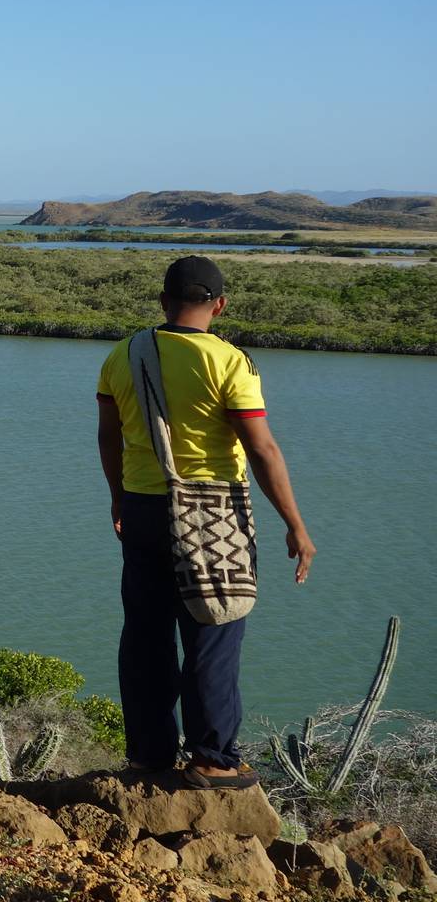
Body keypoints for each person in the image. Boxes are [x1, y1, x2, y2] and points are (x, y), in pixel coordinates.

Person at [95, 255, 316, 788]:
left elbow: (109, 435)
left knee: (145, 636)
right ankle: (212, 760)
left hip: (145, 506)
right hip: (212, 513)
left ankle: (148, 756)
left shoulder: (124, 354)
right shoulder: (230, 362)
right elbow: (260, 448)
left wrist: (119, 496)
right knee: (214, 630)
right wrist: (296, 524)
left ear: (163, 301)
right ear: (219, 304)